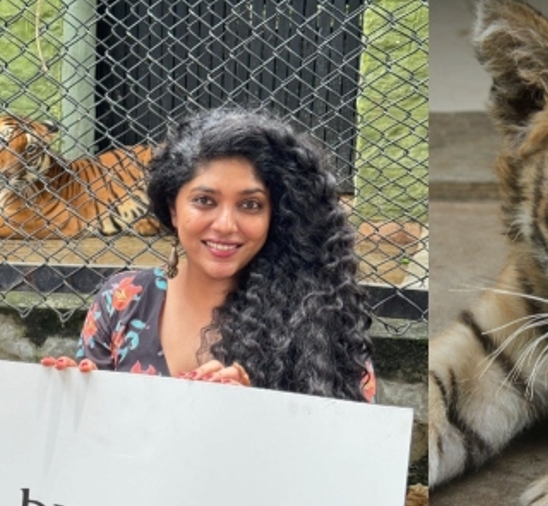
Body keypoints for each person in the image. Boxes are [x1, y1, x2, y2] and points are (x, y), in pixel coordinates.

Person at [43, 108, 376, 402]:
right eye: (204, 200)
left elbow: (349, 452)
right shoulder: (122, 300)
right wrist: (74, 402)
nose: (226, 224)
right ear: (172, 209)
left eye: (250, 205)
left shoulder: (318, 314)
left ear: (275, 215)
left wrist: (257, 413)